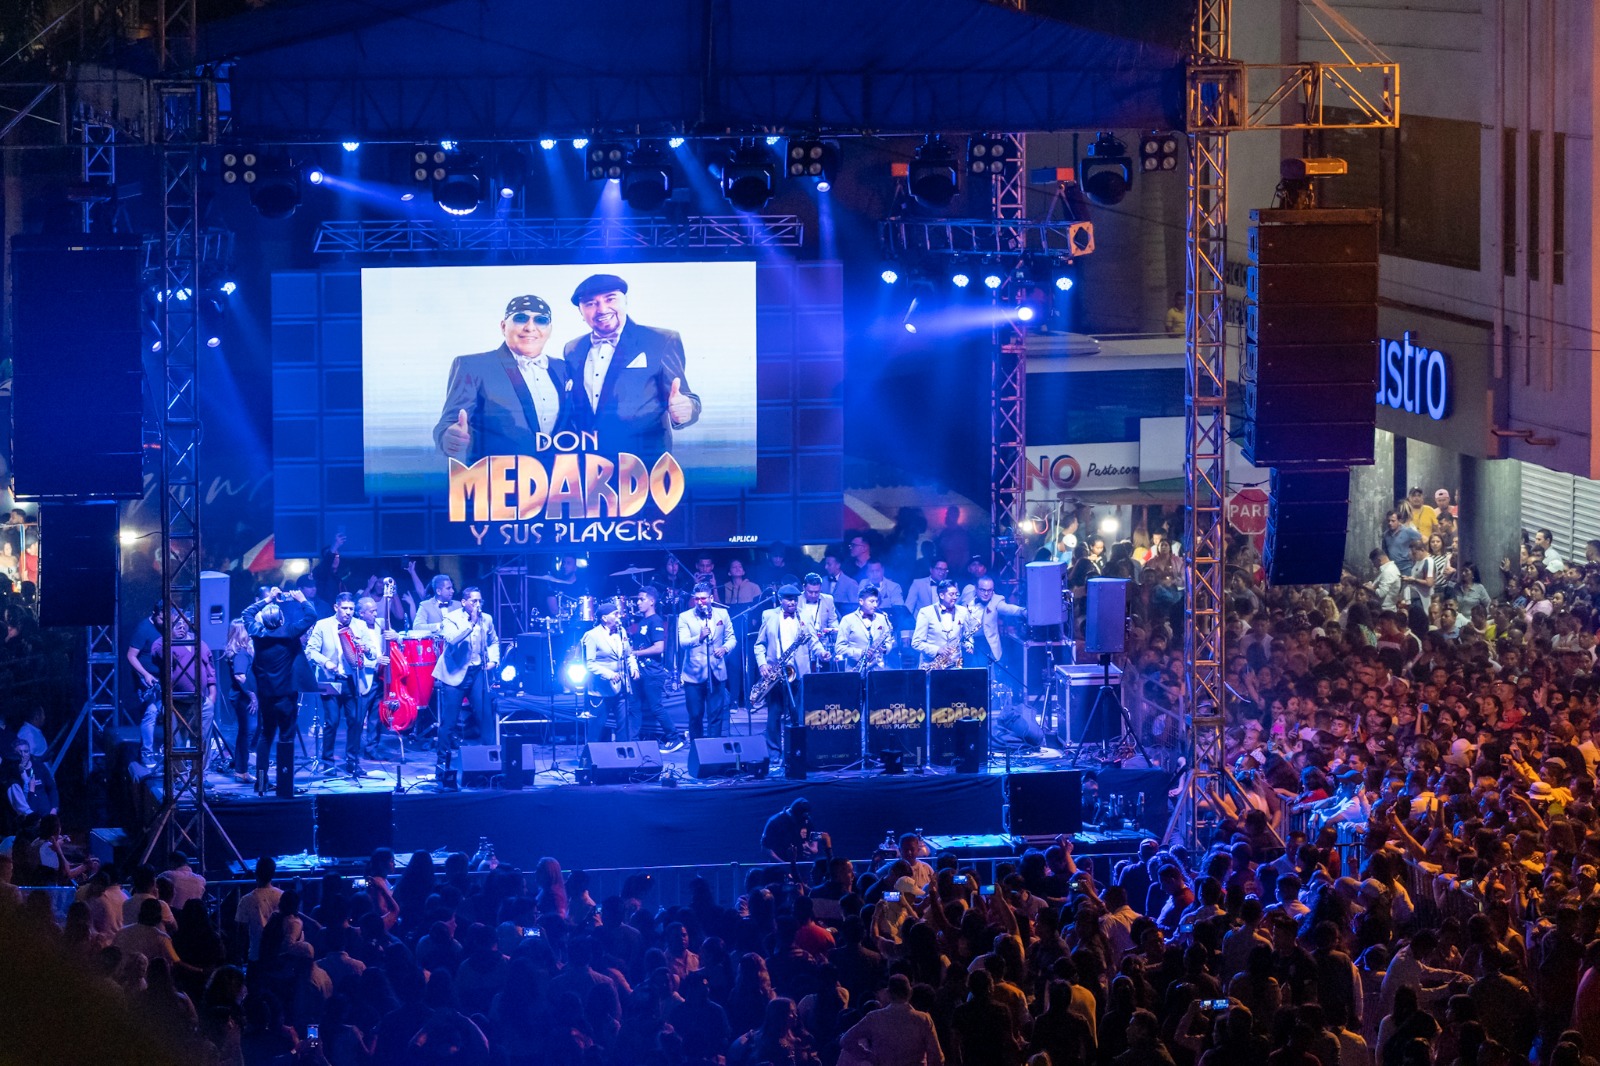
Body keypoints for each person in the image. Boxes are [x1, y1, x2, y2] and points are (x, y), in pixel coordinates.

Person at [562, 273, 701, 460]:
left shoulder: (661, 340)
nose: (602, 309)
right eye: (590, 303)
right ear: (581, 312)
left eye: (610, 299)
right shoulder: (572, 349)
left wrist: (687, 410)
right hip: (590, 463)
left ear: (625, 301)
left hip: (644, 463)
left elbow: (686, 397)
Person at [433, 294, 575, 462]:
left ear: (549, 329)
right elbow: (449, 423)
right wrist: (449, 438)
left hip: (557, 479)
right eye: (521, 318)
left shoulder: (562, 368)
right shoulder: (473, 366)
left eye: (541, 320)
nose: (530, 327)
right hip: (497, 480)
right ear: (503, 326)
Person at [242, 587, 318, 797]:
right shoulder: (289, 632)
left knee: (266, 736)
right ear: (282, 619)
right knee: (286, 737)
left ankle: (261, 781)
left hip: (266, 695)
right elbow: (312, 616)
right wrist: (301, 599)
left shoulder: (258, 633)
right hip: (286, 696)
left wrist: (267, 599)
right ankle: (285, 784)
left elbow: (246, 614)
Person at [305, 592, 380, 778]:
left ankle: (352, 763)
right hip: (330, 680)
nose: (348, 612)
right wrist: (326, 663)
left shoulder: (361, 626)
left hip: (352, 680)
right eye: (345, 608)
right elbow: (310, 651)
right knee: (332, 721)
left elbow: (372, 654)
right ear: (336, 607)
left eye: (351, 609)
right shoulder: (323, 625)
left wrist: (366, 648)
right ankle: (328, 763)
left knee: (355, 721)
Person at [431, 587, 499, 786]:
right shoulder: (451, 619)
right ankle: (441, 765)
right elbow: (452, 640)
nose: (477, 605)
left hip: (477, 671)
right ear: (464, 602)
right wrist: (471, 624)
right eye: (473, 601)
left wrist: (493, 660)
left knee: (485, 715)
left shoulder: (487, 619)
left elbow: (494, 641)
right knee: (449, 722)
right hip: (454, 673)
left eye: (480, 601)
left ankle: (492, 763)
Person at [754, 585, 827, 749]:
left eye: (795, 598)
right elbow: (759, 645)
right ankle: (773, 751)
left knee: (798, 713)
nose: (793, 602)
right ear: (780, 600)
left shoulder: (805, 616)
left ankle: (797, 750)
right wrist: (762, 664)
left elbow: (813, 640)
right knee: (774, 713)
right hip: (775, 671)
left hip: (798, 671)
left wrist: (821, 652)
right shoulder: (769, 616)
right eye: (789, 599)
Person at [149, 612, 219, 774]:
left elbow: (210, 671)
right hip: (176, 703)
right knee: (177, 742)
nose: (181, 626)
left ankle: (199, 776)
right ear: (168, 625)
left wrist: (212, 696)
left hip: (201, 702)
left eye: (184, 623)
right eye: (176, 623)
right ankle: (179, 776)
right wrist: (170, 641)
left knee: (202, 740)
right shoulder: (162, 644)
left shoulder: (199, 643)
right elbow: (159, 656)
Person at [838, 973, 943, 1066]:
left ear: (888, 994)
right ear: (910, 993)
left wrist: (869, 1056)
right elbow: (936, 1057)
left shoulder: (874, 1018)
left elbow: (845, 1040)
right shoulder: (923, 1019)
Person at [678, 583, 737, 740]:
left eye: (703, 598)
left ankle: (714, 751)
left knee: (715, 715)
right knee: (695, 715)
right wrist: (699, 637)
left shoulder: (722, 614)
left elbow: (732, 638)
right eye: (696, 599)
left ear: (711, 598)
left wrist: (724, 648)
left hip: (716, 672)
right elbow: (682, 643)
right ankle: (696, 750)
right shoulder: (685, 617)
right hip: (693, 674)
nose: (699, 602)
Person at [630, 587, 684, 752]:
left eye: (641, 599)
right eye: (638, 599)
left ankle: (674, 738)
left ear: (651, 601)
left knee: (656, 707)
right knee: (634, 706)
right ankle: (632, 741)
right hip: (640, 672)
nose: (638, 602)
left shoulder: (655, 621)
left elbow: (659, 647)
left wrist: (636, 653)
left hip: (652, 672)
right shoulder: (642, 622)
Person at [582, 598, 637, 742]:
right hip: (600, 689)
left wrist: (634, 667)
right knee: (596, 728)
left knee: (624, 727)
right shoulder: (592, 635)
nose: (619, 617)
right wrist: (609, 674)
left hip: (621, 687)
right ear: (604, 618)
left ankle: (623, 758)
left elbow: (628, 654)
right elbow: (590, 664)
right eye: (616, 614)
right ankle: (589, 760)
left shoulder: (621, 632)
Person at [355, 593, 397, 758]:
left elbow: (397, 637)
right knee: (359, 716)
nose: (375, 614)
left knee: (375, 715)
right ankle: (353, 749)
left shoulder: (381, 624)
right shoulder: (356, 627)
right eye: (371, 611)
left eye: (375, 610)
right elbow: (354, 655)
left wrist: (397, 636)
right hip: (364, 677)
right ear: (361, 613)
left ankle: (372, 749)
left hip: (380, 676)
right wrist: (375, 661)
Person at [963, 576, 1028, 668]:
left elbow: (1009, 609)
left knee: (982, 671)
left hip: (984, 642)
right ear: (976, 588)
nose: (986, 593)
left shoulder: (996, 600)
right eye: (982, 590)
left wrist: (1024, 612)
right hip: (964, 642)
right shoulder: (967, 592)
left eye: (989, 590)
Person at [911, 580, 978, 669]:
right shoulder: (926, 612)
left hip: (955, 665)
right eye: (951, 594)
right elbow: (916, 643)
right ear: (941, 595)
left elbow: (967, 636)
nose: (955, 597)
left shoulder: (963, 611)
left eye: (956, 594)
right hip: (931, 666)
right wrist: (937, 650)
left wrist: (969, 645)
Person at [221, 620, 257, 785]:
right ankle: (242, 771)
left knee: (245, 732)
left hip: (239, 696)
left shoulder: (236, 651)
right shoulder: (241, 653)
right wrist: (252, 695)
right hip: (244, 698)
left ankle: (240, 768)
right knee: (248, 732)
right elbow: (240, 675)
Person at [835, 584, 896, 670]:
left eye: (876, 601)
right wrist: (860, 653)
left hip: (878, 669)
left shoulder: (882, 618)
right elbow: (839, 648)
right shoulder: (847, 620)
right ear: (861, 601)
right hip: (855, 669)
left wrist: (885, 648)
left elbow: (889, 641)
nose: (875, 605)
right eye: (871, 601)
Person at [760, 797, 831, 869]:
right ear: (791, 813)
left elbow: (813, 835)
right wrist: (784, 865)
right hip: (780, 866)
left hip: (802, 865)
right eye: (799, 819)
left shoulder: (806, 820)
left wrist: (813, 848)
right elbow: (765, 848)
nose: (801, 822)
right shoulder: (775, 822)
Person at [797, 573, 839, 660]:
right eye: (810, 592)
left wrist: (832, 629)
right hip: (802, 646)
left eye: (817, 592)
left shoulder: (828, 600)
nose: (813, 595)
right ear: (803, 587)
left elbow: (833, 621)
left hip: (823, 644)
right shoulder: (796, 600)